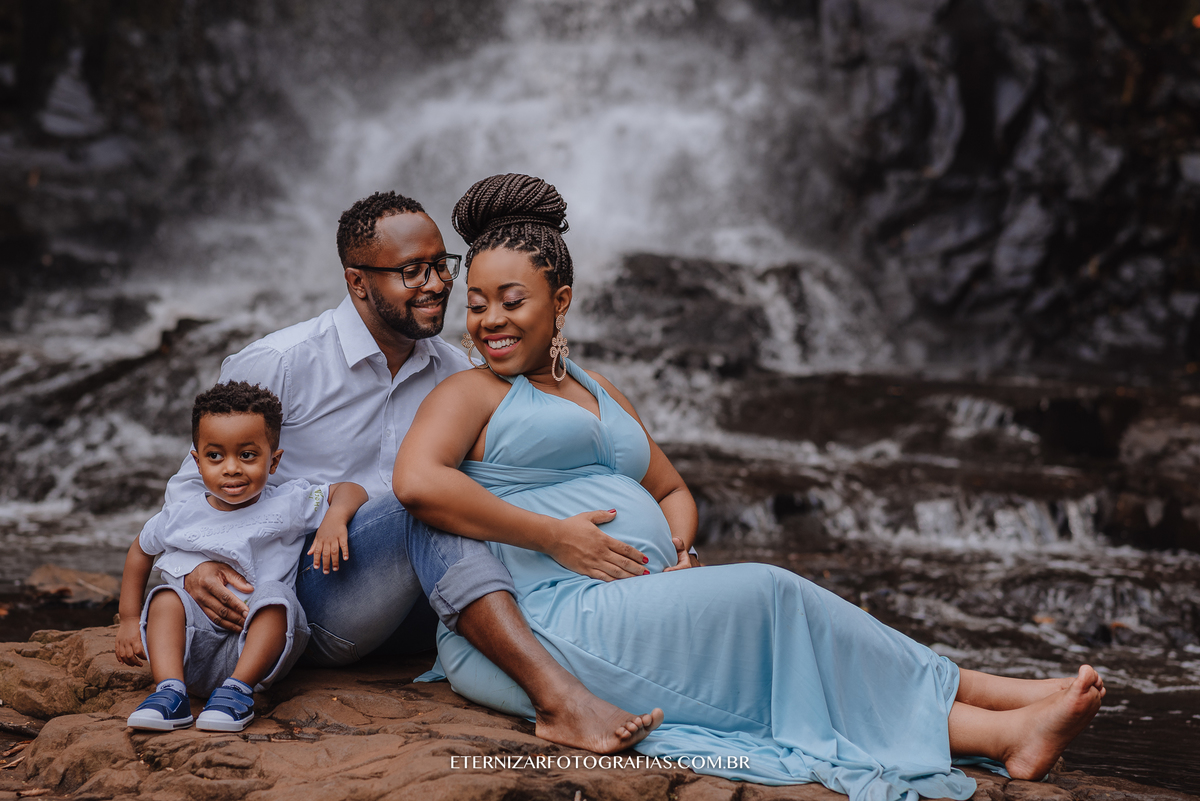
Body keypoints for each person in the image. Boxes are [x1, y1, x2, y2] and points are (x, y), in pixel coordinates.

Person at [393, 173, 1107, 800]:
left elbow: (672, 488)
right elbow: (416, 483)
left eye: (511, 301)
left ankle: (996, 703)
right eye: (478, 302)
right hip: (551, 617)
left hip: (633, 598)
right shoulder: (470, 394)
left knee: (783, 614)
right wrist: (554, 535)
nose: (489, 320)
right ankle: (995, 722)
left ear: (561, 300)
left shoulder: (598, 389)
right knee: (771, 593)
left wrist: (677, 548)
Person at [161, 191, 661, 751]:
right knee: (420, 500)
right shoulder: (281, 361)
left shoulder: (457, 368)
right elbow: (190, 484)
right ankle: (557, 702)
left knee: (485, 496)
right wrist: (191, 567)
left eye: (441, 265)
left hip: (428, 612)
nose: (437, 283)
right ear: (357, 283)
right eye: (411, 271)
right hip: (306, 604)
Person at [117, 381, 369, 732]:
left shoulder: (289, 503)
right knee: (167, 597)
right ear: (197, 460)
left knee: (276, 597)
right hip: (194, 646)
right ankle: (170, 692)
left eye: (247, 455)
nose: (231, 468)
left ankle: (237, 693)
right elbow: (140, 549)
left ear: (274, 461)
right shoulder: (181, 514)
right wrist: (129, 620)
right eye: (215, 456)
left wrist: (334, 519)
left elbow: (350, 490)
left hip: (260, 652)